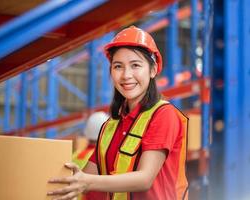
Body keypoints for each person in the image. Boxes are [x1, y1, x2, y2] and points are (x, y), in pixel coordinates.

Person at [47, 26, 189, 200]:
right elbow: (89, 173)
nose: (126, 75)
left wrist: (86, 182)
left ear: (152, 70)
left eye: (135, 65)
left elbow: (145, 179)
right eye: (118, 66)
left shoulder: (164, 115)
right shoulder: (110, 126)